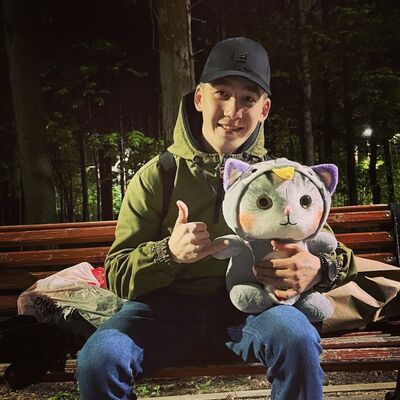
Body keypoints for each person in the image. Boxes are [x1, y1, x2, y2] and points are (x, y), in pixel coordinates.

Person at [76, 37, 357, 400]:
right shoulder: (158, 175)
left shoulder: (281, 178)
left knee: (297, 337)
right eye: (222, 93)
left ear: (264, 109)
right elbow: (117, 273)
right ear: (199, 98)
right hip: (161, 311)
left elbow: (337, 255)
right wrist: (167, 254)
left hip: (252, 309)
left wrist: (317, 268)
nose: (233, 111)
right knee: (98, 359)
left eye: (248, 99)